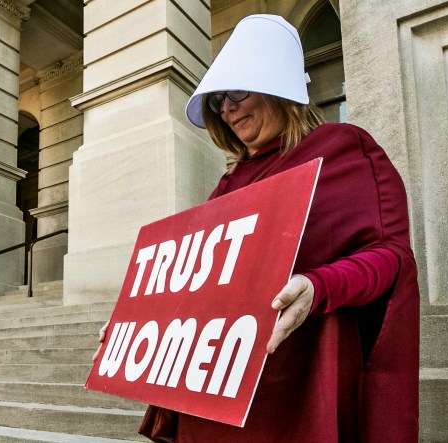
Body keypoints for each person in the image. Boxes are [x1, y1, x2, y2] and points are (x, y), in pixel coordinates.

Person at [94, 14, 419, 442]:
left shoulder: (344, 148)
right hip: (216, 389)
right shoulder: (228, 182)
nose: (226, 109)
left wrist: (319, 286)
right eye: (218, 101)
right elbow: (199, 279)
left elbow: (390, 258)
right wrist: (137, 320)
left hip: (297, 388)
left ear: (277, 87)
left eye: (236, 93)